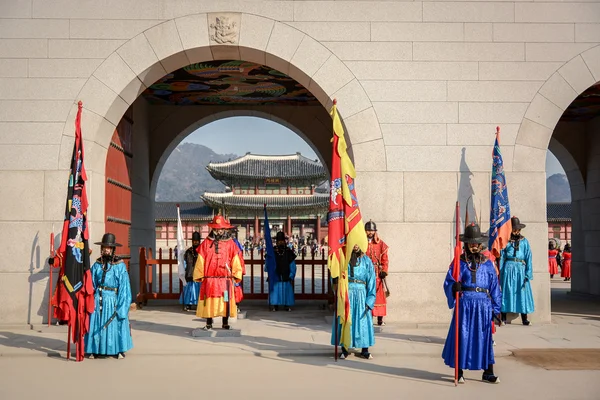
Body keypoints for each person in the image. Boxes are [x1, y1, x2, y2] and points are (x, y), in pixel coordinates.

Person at [442, 223, 502, 384]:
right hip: (465, 305)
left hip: (483, 306)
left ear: (480, 244)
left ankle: (488, 372)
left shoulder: (488, 263)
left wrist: (496, 310)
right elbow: (448, 281)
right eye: (471, 243)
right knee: (463, 336)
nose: (474, 246)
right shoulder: (458, 262)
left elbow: (495, 287)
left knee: (485, 338)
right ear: (466, 243)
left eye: (476, 243)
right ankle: (459, 371)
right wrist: (453, 287)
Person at [84, 233, 133, 359]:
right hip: (98, 298)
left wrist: (122, 307)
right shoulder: (96, 265)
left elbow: (124, 288)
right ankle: (95, 349)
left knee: (113, 324)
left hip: (112, 299)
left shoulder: (120, 266)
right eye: (104, 247)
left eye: (109, 248)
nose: (106, 250)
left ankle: (116, 349)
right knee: (96, 323)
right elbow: (91, 283)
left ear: (113, 249)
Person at [193, 215, 243, 330]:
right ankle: (209, 322)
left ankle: (225, 322)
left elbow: (235, 259)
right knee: (209, 301)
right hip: (210, 279)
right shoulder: (206, 243)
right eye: (216, 228)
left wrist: (236, 273)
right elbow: (201, 259)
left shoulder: (230, 244)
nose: (218, 231)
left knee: (225, 301)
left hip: (225, 279)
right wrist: (199, 274)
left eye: (220, 228)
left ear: (224, 229)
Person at [332, 244, 377, 360]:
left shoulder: (367, 260)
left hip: (362, 293)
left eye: (358, 243)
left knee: (363, 321)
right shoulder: (344, 259)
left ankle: (365, 349)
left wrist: (370, 300)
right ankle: (345, 349)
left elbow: (371, 281)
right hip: (347, 291)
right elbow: (336, 276)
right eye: (353, 242)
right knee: (346, 319)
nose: (356, 246)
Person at [499, 217, 534, 326]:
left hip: (520, 268)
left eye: (518, 230)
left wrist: (528, 273)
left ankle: (525, 318)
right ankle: (503, 317)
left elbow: (529, 257)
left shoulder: (524, 241)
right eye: (515, 229)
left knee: (522, 291)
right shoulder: (506, 241)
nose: (517, 231)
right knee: (506, 291)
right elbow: (502, 256)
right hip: (508, 268)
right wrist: (500, 272)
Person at [364, 220, 389, 326]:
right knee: (365, 294)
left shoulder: (380, 243)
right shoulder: (361, 242)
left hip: (377, 273)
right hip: (364, 272)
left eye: (372, 230)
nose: (370, 232)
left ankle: (380, 319)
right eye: (368, 230)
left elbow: (385, 259)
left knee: (378, 295)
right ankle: (366, 317)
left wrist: (384, 271)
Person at [266, 232, 297, 312]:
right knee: (275, 290)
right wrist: (269, 270)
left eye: (282, 241)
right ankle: (275, 305)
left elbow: (292, 264)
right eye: (279, 241)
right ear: (276, 242)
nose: (280, 242)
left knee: (286, 289)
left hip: (286, 274)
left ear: (284, 241)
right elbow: (268, 263)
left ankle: (287, 305)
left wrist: (292, 274)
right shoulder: (272, 252)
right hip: (276, 275)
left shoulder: (288, 251)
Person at [180, 231, 201, 312]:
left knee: (198, 289)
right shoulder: (188, 251)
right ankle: (188, 304)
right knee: (189, 289)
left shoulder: (202, 251)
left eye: (197, 241)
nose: (195, 242)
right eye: (194, 241)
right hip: (189, 272)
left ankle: (198, 304)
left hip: (199, 273)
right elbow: (185, 261)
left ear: (199, 241)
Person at [229, 226, 246, 312]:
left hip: (235, 268)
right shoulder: (225, 243)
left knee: (236, 287)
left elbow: (240, 258)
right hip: (226, 269)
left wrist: (241, 270)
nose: (232, 235)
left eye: (234, 233)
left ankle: (236, 305)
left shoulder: (237, 244)